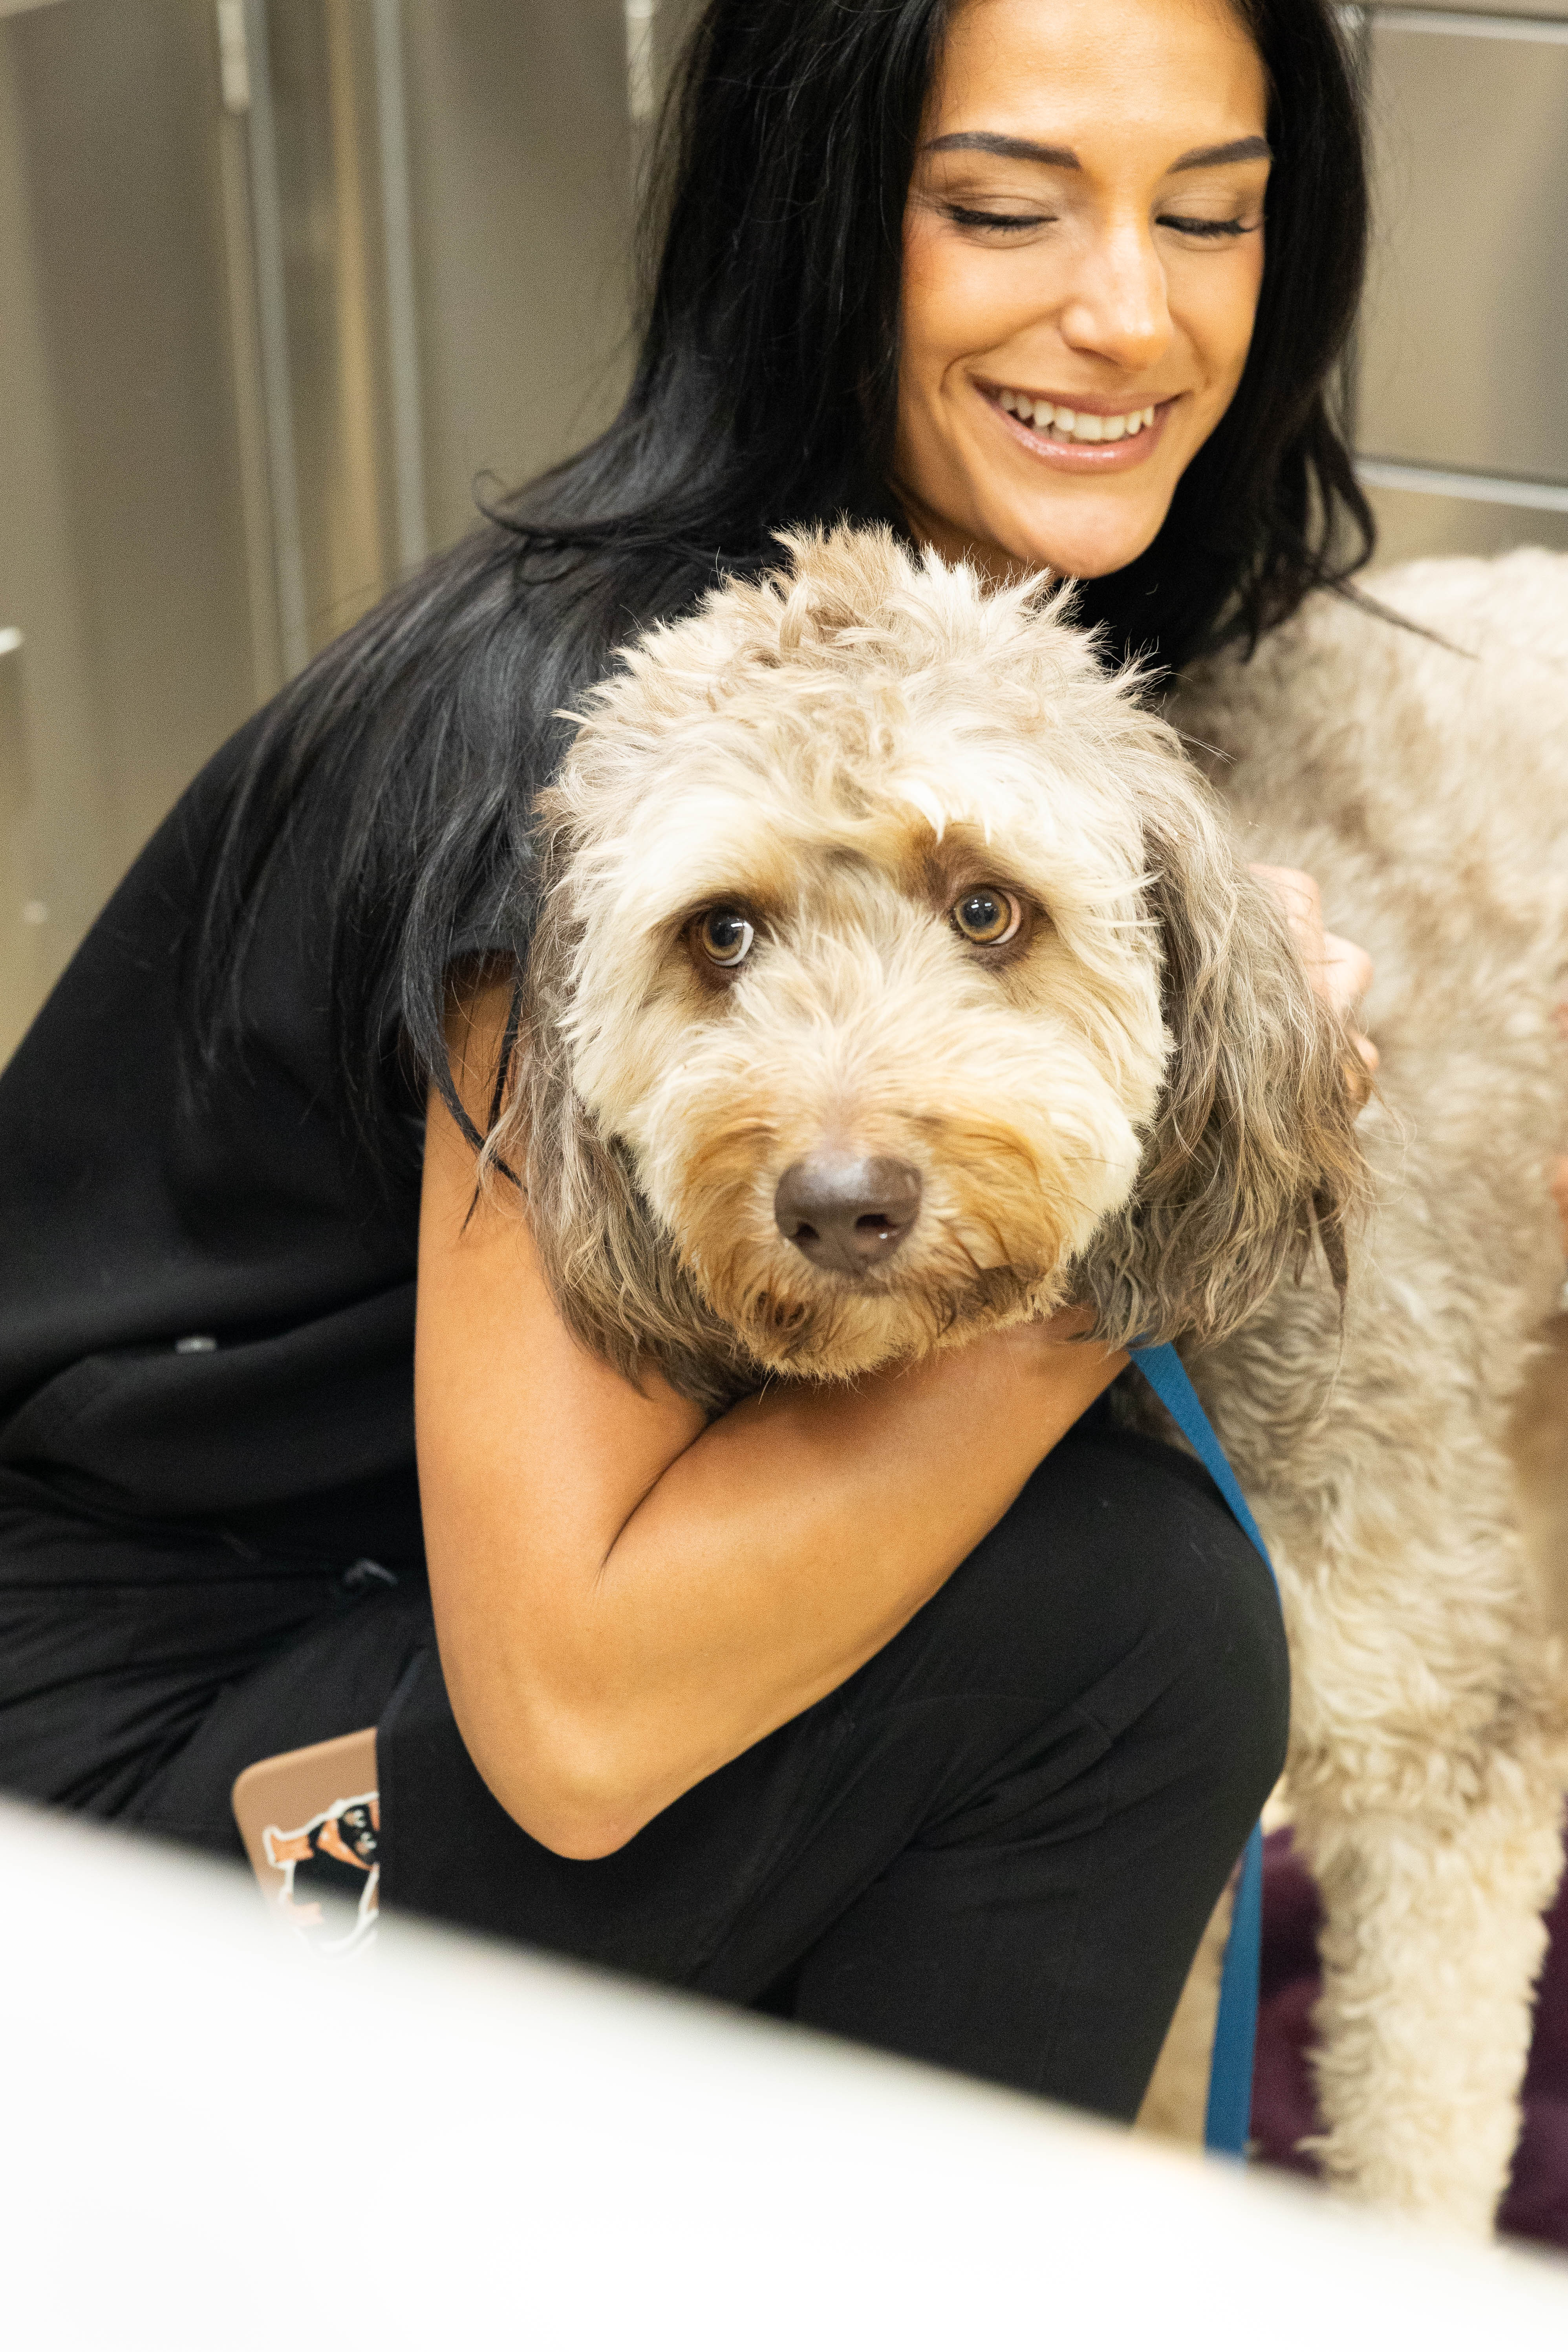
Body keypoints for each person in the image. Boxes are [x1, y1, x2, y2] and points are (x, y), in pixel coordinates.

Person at [0, 0, 1375, 2122]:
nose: (1129, 313)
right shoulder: (585, 749)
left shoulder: (955, 638)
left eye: (1208, 218)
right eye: (1002, 208)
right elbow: (573, 1717)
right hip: (108, 1823)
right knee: (1136, 1631)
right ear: (813, 214)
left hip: (355, 1630)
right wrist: (1146, 1229)